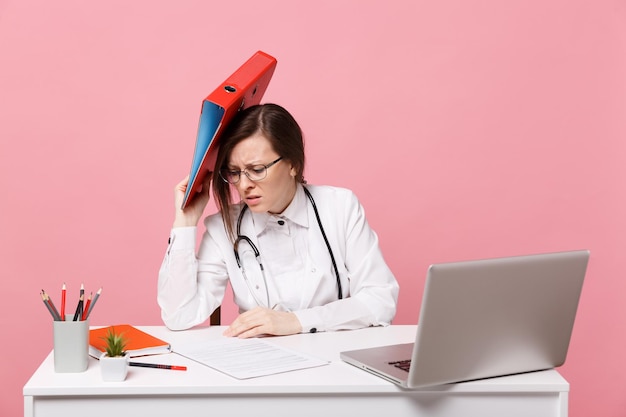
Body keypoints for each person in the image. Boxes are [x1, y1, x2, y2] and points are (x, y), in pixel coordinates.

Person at [158, 103, 399, 338]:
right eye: (234, 172)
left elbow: (380, 300)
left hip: (333, 361)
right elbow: (178, 316)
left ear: (293, 163)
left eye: (257, 169)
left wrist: (296, 322)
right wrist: (185, 223)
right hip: (259, 366)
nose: (244, 185)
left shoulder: (339, 207)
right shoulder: (223, 228)